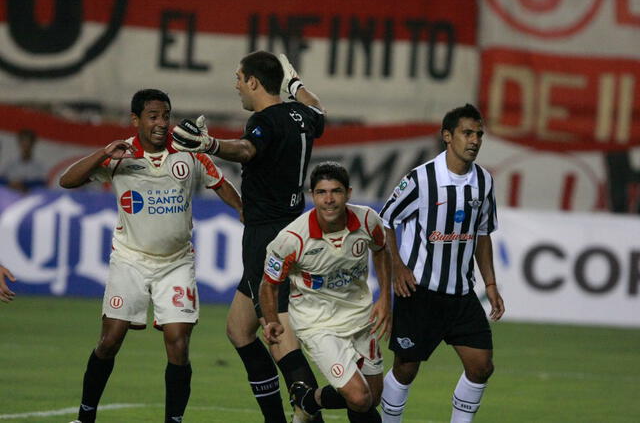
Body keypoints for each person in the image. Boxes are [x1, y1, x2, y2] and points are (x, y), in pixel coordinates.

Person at [59, 88, 242, 423]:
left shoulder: (189, 152)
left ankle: (173, 420)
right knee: (110, 341)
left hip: (176, 262)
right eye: (153, 116)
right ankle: (85, 416)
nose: (161, 123)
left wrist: (244, 212)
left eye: (166, 115)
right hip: (129, 260)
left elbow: (221, 184)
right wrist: (102, 153)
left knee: (178, 343)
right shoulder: (119, 156)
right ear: (136, 119)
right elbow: (66, 181)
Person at [172, 51, 326, 423]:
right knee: (240, 330)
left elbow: (246, 149)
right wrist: (296, 85)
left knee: (278, 334)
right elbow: (319, 109)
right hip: (290, 228)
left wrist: (208, 145)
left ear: (254, 81)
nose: (236, 84)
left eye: (239, 78)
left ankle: (313, 413)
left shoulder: (265, 120)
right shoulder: (302, 115)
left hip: (267, 239)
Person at [378, 104, 505, 423]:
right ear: (447, 136)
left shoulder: (485, 182)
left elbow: (482, 234)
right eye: (467, 133)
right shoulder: (421, 179)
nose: (474, 140)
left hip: (461, 294)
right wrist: (399, 267)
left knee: (481, 366)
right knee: (406, 370)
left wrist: (489, 284)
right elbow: (386, 222)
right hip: (419, 292)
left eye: (479, 134)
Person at [260, 162, 392, 423]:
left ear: (349, 193)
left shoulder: (367, 220)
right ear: (312, 195)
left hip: (359, 317)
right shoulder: (292, 239)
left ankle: (308, 401)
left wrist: (385, 298)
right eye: (321, 192)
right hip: (318, 323)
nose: (329, 200)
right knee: (359, 398)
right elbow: (268, 284)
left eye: (336, 191)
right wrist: (272, 320)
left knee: (373, 397)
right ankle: (309, 401)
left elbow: (380, 251)